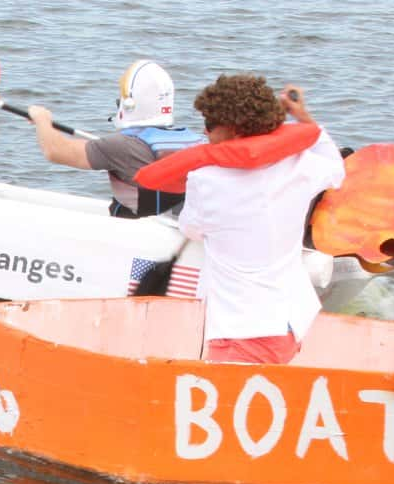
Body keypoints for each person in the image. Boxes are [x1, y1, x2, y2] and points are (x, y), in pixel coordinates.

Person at [131, 73, 345, 364]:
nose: (205, 133)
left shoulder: (206, 180)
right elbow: (335, 167)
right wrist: (303, 116)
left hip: (243, 331)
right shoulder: (301, 165)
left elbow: (191, 228)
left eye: (209, 125)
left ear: (232, 129)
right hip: (294, 320)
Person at [25, 60, 202, 219]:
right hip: (173, 226)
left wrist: (42, 120)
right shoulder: (197, 142)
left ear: (128, 103)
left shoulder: (121, 145)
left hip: (137, 235)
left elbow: (56, 151)